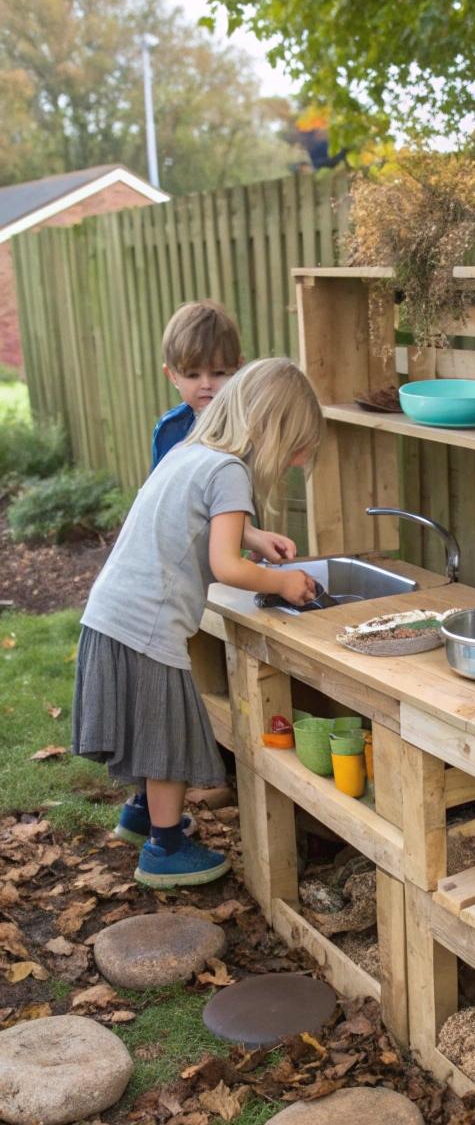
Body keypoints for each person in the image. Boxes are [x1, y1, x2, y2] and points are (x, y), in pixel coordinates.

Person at [73, 359, 322, 888]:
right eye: (298, 447)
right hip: (148, 625)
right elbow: (226, 566)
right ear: (273, 434)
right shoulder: (231, 472)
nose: (298, 462)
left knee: (144, 724)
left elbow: (200, 520)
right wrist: (281, 583)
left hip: (111, 613)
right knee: (166, 737)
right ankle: (164, 849)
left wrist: (255, 538)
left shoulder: (190, 453)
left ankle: (140, 813)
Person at [151, 300, 243, 468]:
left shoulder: (246, 426)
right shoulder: (170, 429)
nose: (206, 384)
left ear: (239, 368)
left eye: (219, 373)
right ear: (172, 376)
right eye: (193, 375)